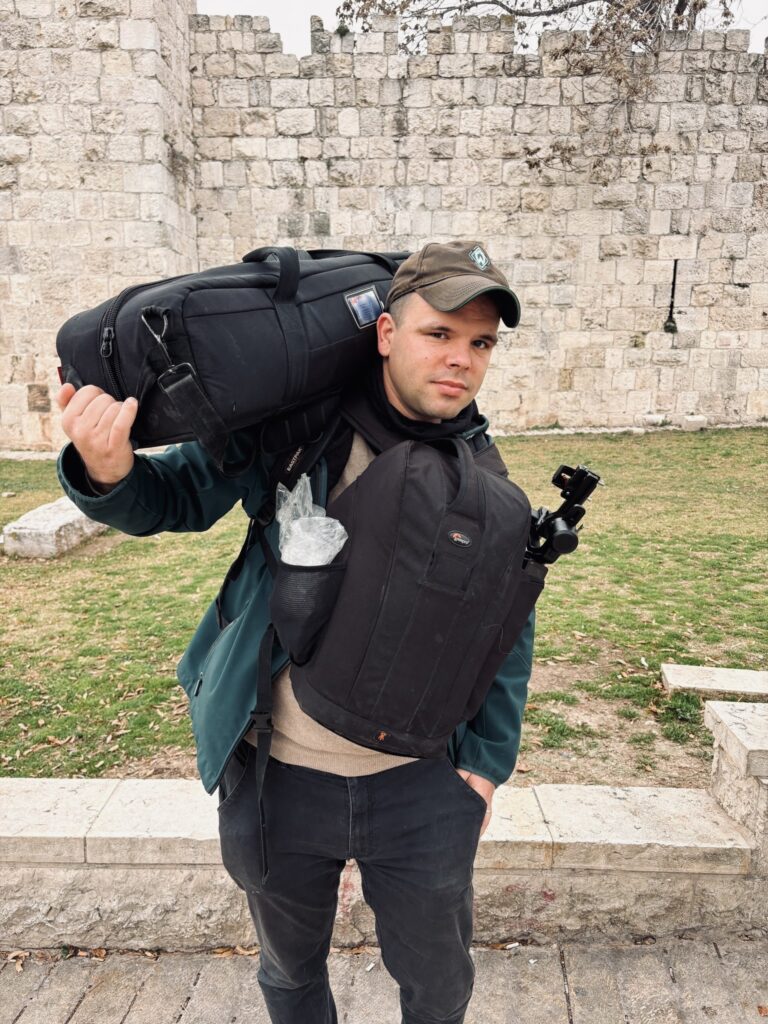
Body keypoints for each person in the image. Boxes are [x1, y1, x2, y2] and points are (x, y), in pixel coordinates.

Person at [56, 240, 534, 1024]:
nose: (461, 359)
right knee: (287, 974)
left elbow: (506, 628)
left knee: (439, 986)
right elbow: (172, 497)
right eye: (439, 333)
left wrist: (481, 768)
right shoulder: (297, 432)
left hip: (420, 789)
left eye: (480, 343)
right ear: (386, 333)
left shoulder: (485, 481)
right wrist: (107, 472)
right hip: (276, 776)